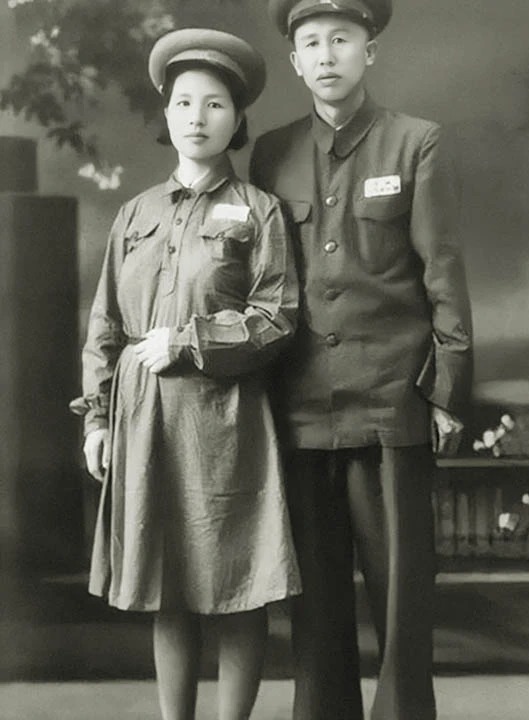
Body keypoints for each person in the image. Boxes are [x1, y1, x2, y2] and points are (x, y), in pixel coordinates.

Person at [250, 2, 473, 719]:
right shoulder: (272, 153)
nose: (326, 55)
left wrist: (446, 391)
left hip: (391, 399)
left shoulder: (415, 142)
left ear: (368, 51)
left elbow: (442, 270)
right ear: (294, 61)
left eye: (341, 39)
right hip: (301, 405)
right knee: (313, 606)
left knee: (402, 598)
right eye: (311, 43)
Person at [70, 28, 301, 720]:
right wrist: (97, 418)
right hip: (145, 418)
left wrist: (188, 340)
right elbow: (105, 323)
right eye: (183, 103)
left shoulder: (259, 211)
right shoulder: (135, 214)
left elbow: (277, 317)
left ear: (237, 119)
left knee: (236, 583)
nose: (197, 117)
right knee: (164, 584)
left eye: (214, 104)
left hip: (225, 421)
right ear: (166, 114)